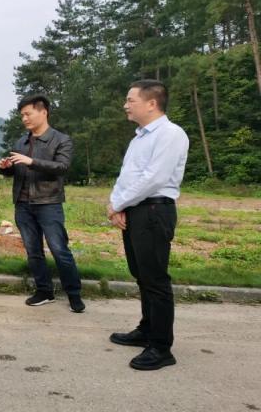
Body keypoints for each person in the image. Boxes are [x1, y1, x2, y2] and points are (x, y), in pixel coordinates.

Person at [107, 79, 189, 371]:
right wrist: (116, 204)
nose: (125, 105)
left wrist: (120, 203)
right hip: (136, 210)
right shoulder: (139, 138)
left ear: (152, 103)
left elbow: (154, 178)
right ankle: (146, 329)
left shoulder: (171, 134)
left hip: (154, 210)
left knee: (155, 279)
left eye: (131, 100)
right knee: (141, 275)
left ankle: (161, 346)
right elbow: (127, 176)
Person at [0, 95, 85, 313]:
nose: (24, 119)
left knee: (59, 249)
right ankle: (44, 291)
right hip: (23, 204)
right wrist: (5, 167)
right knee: (33, 251)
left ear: (43, 112)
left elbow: (62, 167)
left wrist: (32, 161)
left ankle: (74, 294)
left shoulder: (61, 140)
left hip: (49, 203)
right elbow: (15, 171)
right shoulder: (21, 142)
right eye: (22, 115)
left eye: (28, 114)